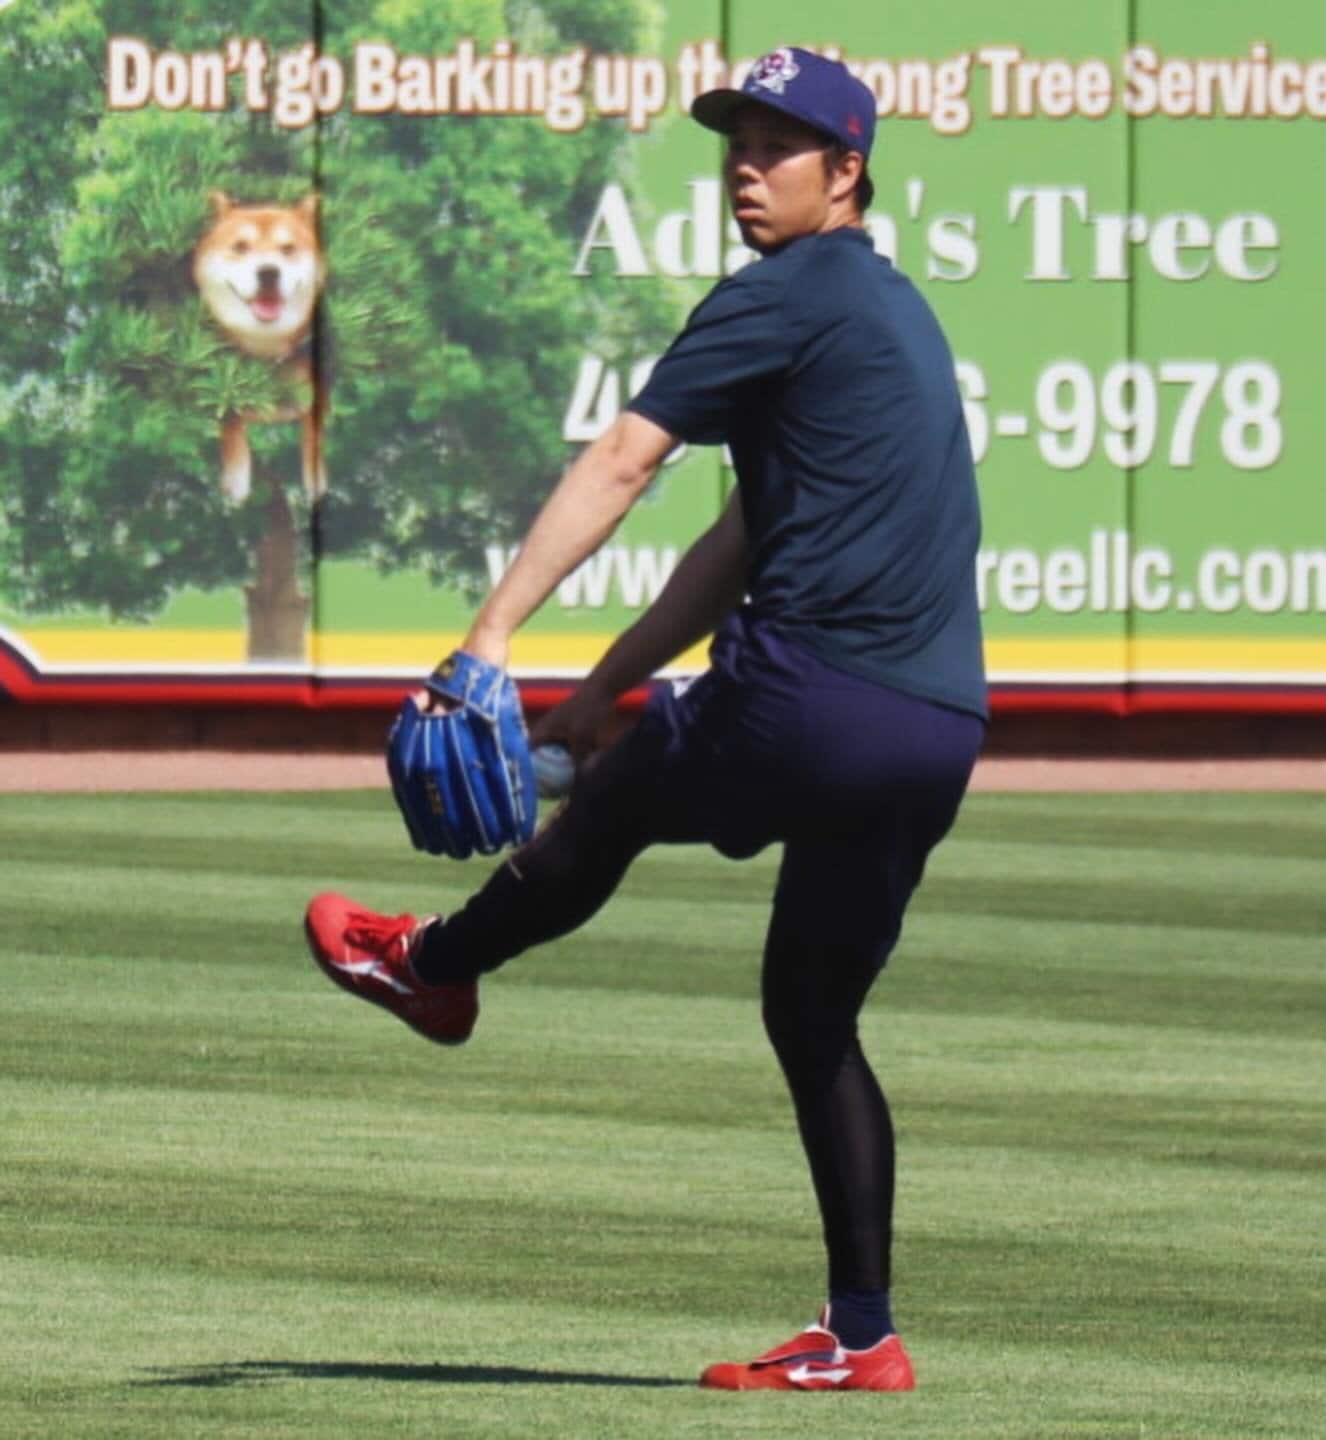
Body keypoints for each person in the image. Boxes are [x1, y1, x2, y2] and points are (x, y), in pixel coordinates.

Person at [305, 45, 987, 1393]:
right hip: (937, 731)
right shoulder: (890, 312)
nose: (745, 163)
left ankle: (435, 965)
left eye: (777, 144)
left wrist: (485, 641)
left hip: (815, 699)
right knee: (810, 1011)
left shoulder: (784, 292)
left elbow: (625, 459)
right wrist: (602, 688)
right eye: (734, 138)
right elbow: (741, 538)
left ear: (846, 173)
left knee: (617, 796)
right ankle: (865, 1337)